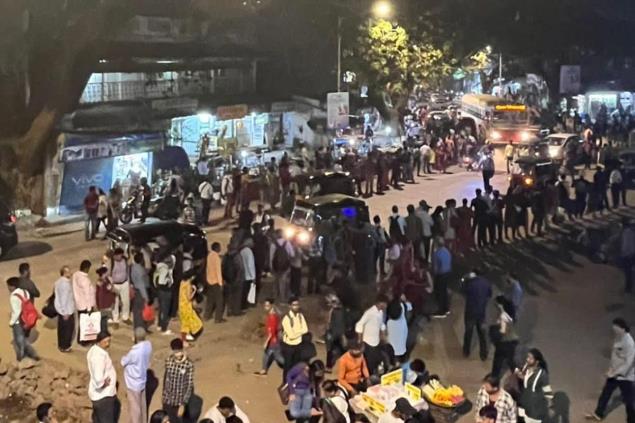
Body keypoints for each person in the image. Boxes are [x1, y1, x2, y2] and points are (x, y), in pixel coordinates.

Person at [586, 318, 635, 422]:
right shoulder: (618, 337)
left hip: (625, 377)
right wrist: (611, 369)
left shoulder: (629, 343)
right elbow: (615, 356)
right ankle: (598, 414)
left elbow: (628, 363)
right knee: (605, 393)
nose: (613, 329)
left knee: (629, 400)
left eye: (615, 327)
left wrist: (614, 373)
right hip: (614, 373)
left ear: (622, 328)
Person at [121, 327, 153, 423]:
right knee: (142, 405)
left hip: (133, 382)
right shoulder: (148, 345)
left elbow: (123, 362)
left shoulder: (134, 352)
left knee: (135, 408)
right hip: (142, 379)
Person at [87, 331, 118, 423]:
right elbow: (98, 377)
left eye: (109, 341)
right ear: (99, 341)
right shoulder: (98, 357)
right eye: (105, 342)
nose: (108, 344)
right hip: (103, 396)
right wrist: (103, 384)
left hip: (100, 396)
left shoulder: (95, 350)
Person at [515, 348, 553, 423]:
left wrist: (549, 403)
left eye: (530, 358)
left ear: (537, 361)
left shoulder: (542, 374)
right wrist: (519, 375)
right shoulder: (526, 367)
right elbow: (527, 380)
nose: (527, 359)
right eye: (527, 357)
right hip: (524, 402)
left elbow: (547, 389)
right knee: (521, 420)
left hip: (534, 407)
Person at [162, 338, 195, 422]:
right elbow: (166, 379)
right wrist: (164, 395)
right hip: (168, 399)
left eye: (179, 351)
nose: (178, 354)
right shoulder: (168, 361)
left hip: (180, 400)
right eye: (175, 352)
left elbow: (189, 385)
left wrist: (183, 404)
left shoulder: (188, 364)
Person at [7, 277, 39, 361]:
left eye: (9, 286)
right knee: (23, 338)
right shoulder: (25, 292)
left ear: (13, 286)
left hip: (18, 321)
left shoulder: (13, 296)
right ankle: (31, 354)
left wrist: (11, 322)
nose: (8, 288)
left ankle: (24, 356)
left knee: (19, 340)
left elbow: (16, 311)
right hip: (27, 319)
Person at [462, 270, 491, 361]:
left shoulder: (470, 283)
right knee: (482, 334)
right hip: (481, 312)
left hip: (470, 311)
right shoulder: (486, 283)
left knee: (468, 332)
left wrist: (464, 279)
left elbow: (463, 290)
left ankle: (466, 351)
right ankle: (483, 354)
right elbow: (489, 294)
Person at [355, 295, 388, 375]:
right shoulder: (370, 312)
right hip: (368, 342)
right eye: (385, 304)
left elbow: (381, 324)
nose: (386, 306)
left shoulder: (380, 312)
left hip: (376, 341)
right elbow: (359, 325)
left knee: (374, 360)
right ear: (380, 303)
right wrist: (360, 340)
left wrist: (383, 334)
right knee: (368, 362)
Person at [281, 297, 309, 380]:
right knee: (287, 367)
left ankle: (294, 382)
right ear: (290, 306)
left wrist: (296, 332)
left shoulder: (300, 316)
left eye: (297, 305)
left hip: (298, 345)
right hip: (289, 346)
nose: (296, 306)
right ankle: (285, 383)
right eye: (294, 305)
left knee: (296, 365)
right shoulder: (286, 319)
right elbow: (291, 335)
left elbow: (306, 329)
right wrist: (300, 332)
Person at [254, 298, 283, 375]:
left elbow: (271, 332)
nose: (265, 307)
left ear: (271, 306)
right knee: (266, 354)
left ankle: (291, 365)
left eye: (267, 305)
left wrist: (266, 342)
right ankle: (263, 370)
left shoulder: (272, 317)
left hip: (273, 341)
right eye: (265, 305)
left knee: (279, 358)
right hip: (274, 340)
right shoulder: (273, 315)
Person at [491, 296, 518, 377]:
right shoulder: (510, 314)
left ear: (500, 305)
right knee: (511, 361)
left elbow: (503, 330)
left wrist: (495, 334)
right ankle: (521, 376)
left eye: (497, 304)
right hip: (513, 341)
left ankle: (494, 378)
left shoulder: (503, 316)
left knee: (497, 361)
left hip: (504, 342)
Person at [73, 260, 96, 343]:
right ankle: (84, 340)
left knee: (82, 322)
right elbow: (87, 295)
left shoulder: (76, 274)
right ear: (86, 268)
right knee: (86, 324)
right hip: (85, 305)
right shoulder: (85, 280)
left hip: (79, 304)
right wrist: (89, 308)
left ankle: (81, 339)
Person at [53, 265, 75, 352]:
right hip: (67, 311)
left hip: (60, 310)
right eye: (69, 271)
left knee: (61, 329)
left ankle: (61, 345)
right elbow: (64, 299)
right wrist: (65, 312)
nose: (71, 272)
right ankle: (66, 346)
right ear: (65, 273)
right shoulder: (65, 284)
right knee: (68, 329)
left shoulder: (58, 282)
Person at [325, 294, 347, 372]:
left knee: (343, 349)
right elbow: (328, 322)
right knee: (330, 350)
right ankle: (328, 366)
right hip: (333, 333)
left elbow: (343, 323)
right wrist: (328, 332)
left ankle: (343, 366)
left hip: (339, 333)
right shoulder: (333, 311)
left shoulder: (341, 311)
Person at [178, 274, 203, 346]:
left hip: (181, 306)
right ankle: (190, 337)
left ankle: (184, 340)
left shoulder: (182, 282)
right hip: (187, 307)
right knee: (196, 323)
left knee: (184, 325)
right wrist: (194, 290)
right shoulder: (188, 285)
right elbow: (189, 298)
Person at [270, 230, 294, 303]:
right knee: (283, 282)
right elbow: (292, 254)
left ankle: (275, 296)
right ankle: (282, 298)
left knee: (275, 281)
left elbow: (271, 257)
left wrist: (271, 266)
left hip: (275, 266)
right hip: (285, 266)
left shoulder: (273, 244)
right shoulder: (287, 243)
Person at [386, 296, 412, 363]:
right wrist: (405, 300)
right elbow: (410, 306)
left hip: (391, 349)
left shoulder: (388, 322)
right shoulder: (403, 306)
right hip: (402, 348)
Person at [154, 254, 175, 335]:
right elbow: (161, 282)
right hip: (165, 291)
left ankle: (159, 325)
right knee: (165, 310)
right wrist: (168, 282)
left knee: (161, 309)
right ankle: (164, 328)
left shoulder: (159, 267)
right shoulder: (165, 269)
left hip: (160, 291)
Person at [205, 242, 225, 323]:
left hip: (209, 281)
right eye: (219, 247)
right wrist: (221, 283)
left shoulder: (209, 256)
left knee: (210, 299)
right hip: (216, 281)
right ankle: (218, 318)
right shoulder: (217, 257)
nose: (220, 249)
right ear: (216, 248)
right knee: (219, 300)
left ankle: (207, 315)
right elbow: (218, 271)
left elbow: (207, 269)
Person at [431, 237, 452, 318]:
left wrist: (433, 276)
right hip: (448, 272)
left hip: (441, 274)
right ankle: (446, 308)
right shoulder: (447, 251)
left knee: (440, 292)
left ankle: (441, 310)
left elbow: (435, 269)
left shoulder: (436, 254)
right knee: (444, 290)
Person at [130, 252, 150, 332]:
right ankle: (140, 328)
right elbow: (141, 284)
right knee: (140, 311)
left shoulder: (133, 267)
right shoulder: (140, 270)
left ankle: (138, 327)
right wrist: (146, 296)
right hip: (140, 292)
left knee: (137, 311)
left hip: (136, 290)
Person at [239, 238, 256, 310]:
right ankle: (246, 305)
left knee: (243, 292)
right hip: (249, 276)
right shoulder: (249, 252)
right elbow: (250, 265)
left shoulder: (242, 251)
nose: (253, 244)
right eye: (252, 242)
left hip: (243, 274)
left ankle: (242, 305)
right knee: (248, 292)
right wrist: (253, 277)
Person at [620, 218, 635, 293]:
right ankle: (628, 288)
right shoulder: (627, 233)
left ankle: (628, 288)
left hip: (630, 255)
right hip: (628, 255)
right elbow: (625, 245)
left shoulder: (627, 232)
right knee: (627, 272)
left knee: (629, 272)